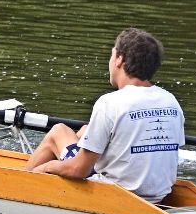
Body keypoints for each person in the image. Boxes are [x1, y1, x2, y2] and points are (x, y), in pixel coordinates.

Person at [22, 27, 185, 203]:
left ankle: (18, 186)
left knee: (58, 132)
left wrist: (48, 167)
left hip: (114, 197)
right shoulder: (171, 102)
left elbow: (78, 170)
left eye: (112, 54)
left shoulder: (110, 103)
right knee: (85, 131)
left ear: (120, 60)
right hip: (158, 197)